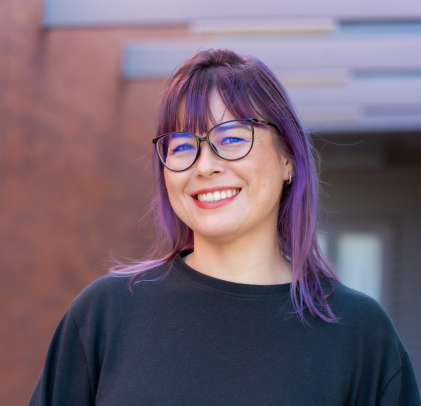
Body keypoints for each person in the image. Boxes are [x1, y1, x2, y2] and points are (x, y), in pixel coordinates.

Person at [29, 49, 420, 406]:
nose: (204, 166)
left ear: (289, 159)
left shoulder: (361, 334)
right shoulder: (105, 314)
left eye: (232, 138)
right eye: (181, 145)